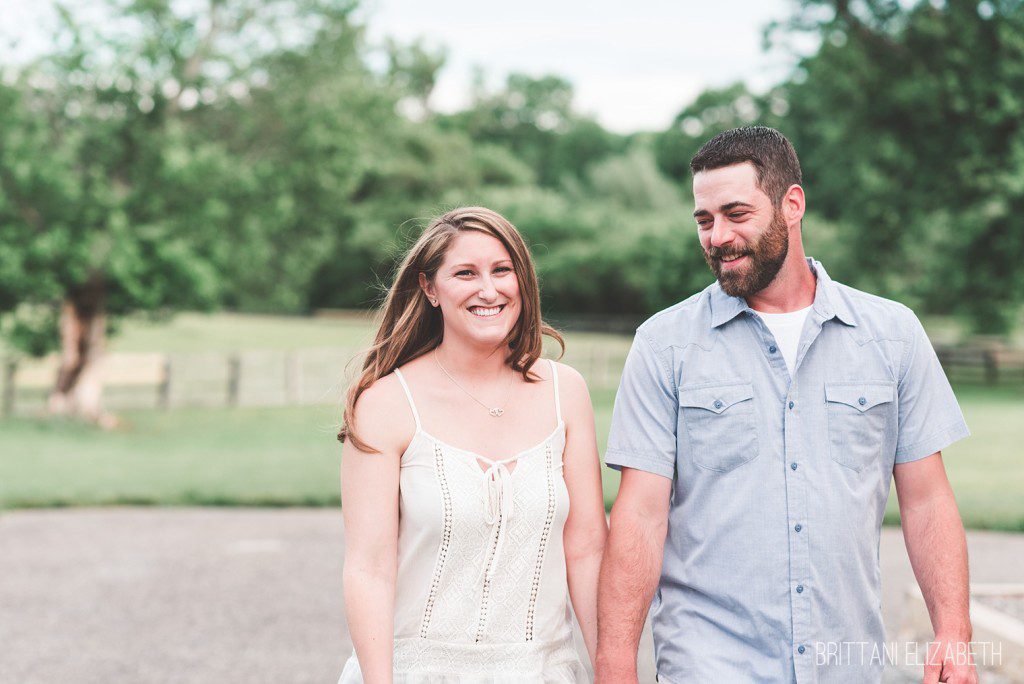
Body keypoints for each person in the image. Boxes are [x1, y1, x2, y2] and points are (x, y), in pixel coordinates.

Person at [596, 127, 976, 683]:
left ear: (791, 205)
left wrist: (953, 631)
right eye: (704, 220)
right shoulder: (665, 344)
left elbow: (926, 501)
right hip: (711, 664)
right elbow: (640, 516)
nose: (717, 236)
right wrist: (614, 665)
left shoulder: (892, 334)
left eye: (735, 214)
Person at [337, 206, 607, 683]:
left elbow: (586, 548)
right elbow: (369, 568)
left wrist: (614, 669)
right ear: (429, 288)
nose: (489, 290)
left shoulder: (567, 392)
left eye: (503, 270)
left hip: (542, 670)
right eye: (465, 273)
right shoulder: (384, 403)